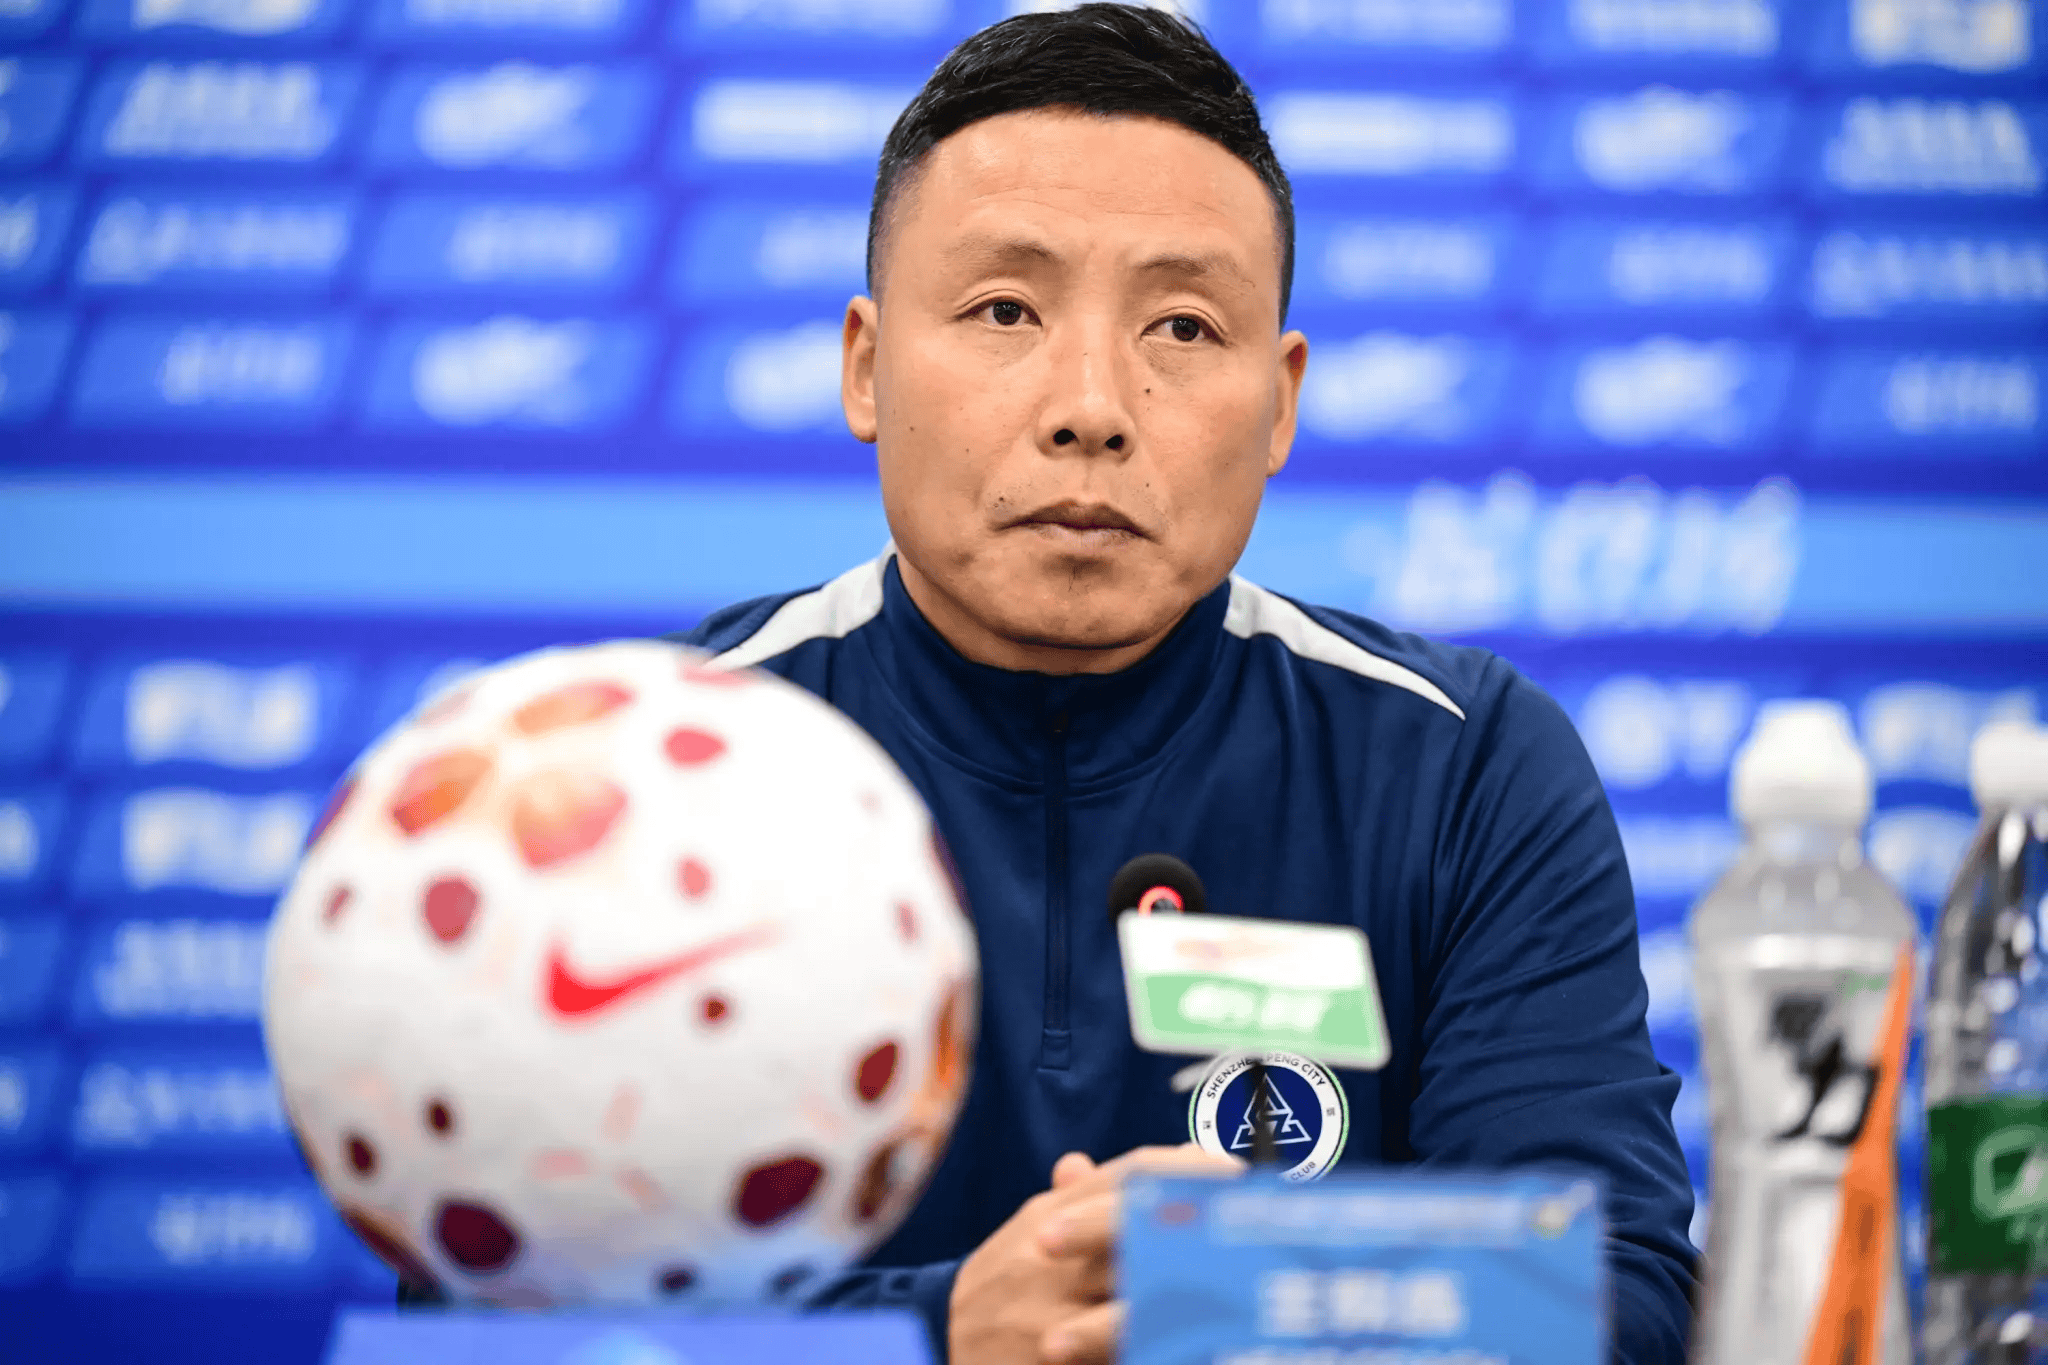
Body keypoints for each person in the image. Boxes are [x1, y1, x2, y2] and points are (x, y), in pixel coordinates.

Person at [677, 6, 1697, 1363]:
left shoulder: (1461, 766)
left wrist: (1230, 1291)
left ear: (1281, 402)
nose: (1091, 406)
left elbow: (1617, 1296)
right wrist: (938, 1336)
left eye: (1182, 326)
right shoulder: (660, 769)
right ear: (865, 366)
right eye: (1004, 310)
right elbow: (497, 1322)